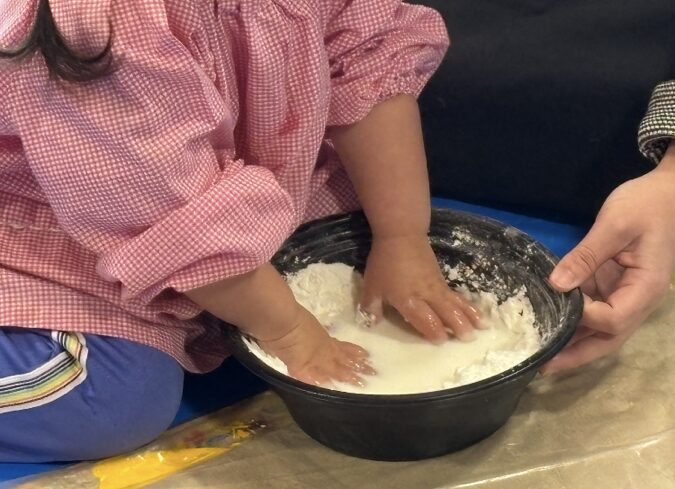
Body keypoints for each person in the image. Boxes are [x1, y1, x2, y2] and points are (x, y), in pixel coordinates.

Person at [0, 0, 482, 462]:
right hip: (55, 228)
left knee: (341, 240)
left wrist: (401, 237)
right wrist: (293, 333)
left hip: (213, 192)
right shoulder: (98, 21)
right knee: (114, 401)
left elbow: (365, 58)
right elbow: (165, 208)